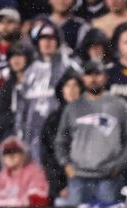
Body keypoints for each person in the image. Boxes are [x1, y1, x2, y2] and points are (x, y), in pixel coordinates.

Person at [55, 61, 127, 205]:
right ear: (83, 78)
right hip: (78, 177)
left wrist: (118, 166)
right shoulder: (72, 108)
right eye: (89, 74)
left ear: (105, 77)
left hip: (109, 178)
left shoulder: (119, 105)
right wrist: (66, 165)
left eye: (97, 74)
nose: (93, 79)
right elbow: (60, 142)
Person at [16, 20, 82, 163]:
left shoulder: (70, 68)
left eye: (52, 39)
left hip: (60, 131)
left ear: (58, 42)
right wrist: (20, 133)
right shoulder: (30, 71)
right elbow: (22, 107)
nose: (47, 43)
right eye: (43, 39)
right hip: (33, 132)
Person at [41, 71, 84, 201]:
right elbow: (47, 156)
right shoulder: (53, 120)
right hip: (66, 187)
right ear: (62, 90)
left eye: (75, 85)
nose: (71, 90)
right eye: (67, 86)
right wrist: (59, 187)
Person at [0, 135, 51, 207]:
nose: (11, 155)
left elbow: (38, 202)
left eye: (15, 151)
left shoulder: (34, 172)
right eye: (7, 152)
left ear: (23, 153)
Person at [0, 7, 26, 89]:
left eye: (10, 22)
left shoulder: (26, 53)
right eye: (1, 22)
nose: (5, 26)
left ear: (18, 25)